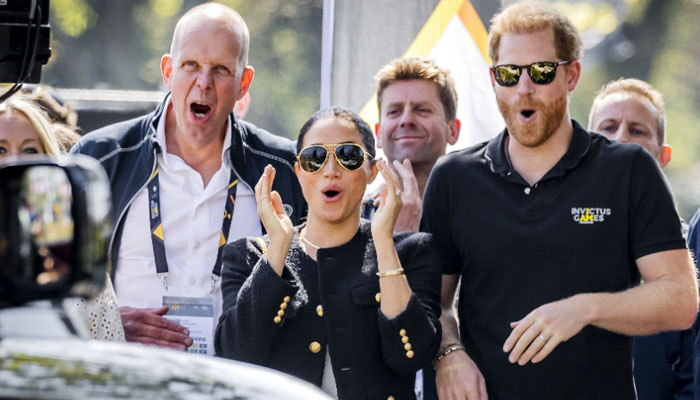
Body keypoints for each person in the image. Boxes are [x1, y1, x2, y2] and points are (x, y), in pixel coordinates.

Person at [420, 2, 699, 399]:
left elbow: (680, 299)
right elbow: (435, 304)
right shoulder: (453, 177)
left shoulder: (628, 169)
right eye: (509, 74)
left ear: (571, 75)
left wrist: (583, 309)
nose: (524, 88)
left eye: (541, 71)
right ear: (493, 79)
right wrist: (449, 354)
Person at [72, 2, 306, 353]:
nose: (204, 83)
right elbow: (51, 288)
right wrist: (107, 324)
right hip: (127, 382)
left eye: (221, 70)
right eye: (191, 65)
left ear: (244, 82)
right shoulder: (99, 160)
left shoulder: (285, 169)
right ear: (168, 71)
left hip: (239, 385)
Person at [215, 107, 441, 399]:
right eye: (314, 158)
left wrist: (383, 241)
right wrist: (280, 247)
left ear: (373, 171)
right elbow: (235, 357)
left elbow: (411, 355)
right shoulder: (249, 256)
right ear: (298, 172)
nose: (331, 171)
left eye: (348, 156)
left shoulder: (410, 252)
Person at [589, 77, 694, 399]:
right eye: (608, 127)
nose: (621, 139)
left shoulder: (693, 252)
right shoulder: (548, 241)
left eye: (637, 130)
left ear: (662, 156)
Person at [1, 94, 125, 341]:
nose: (14, 161)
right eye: (0, 149)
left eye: (29, 150)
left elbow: (106, 355)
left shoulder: (75, 262)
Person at [363, 57, 460, 233]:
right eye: (394, 112)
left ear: (452, 130)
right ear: (378, 132)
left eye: (422, 110)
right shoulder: (353, 220)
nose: (406, 120)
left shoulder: (481, 213)